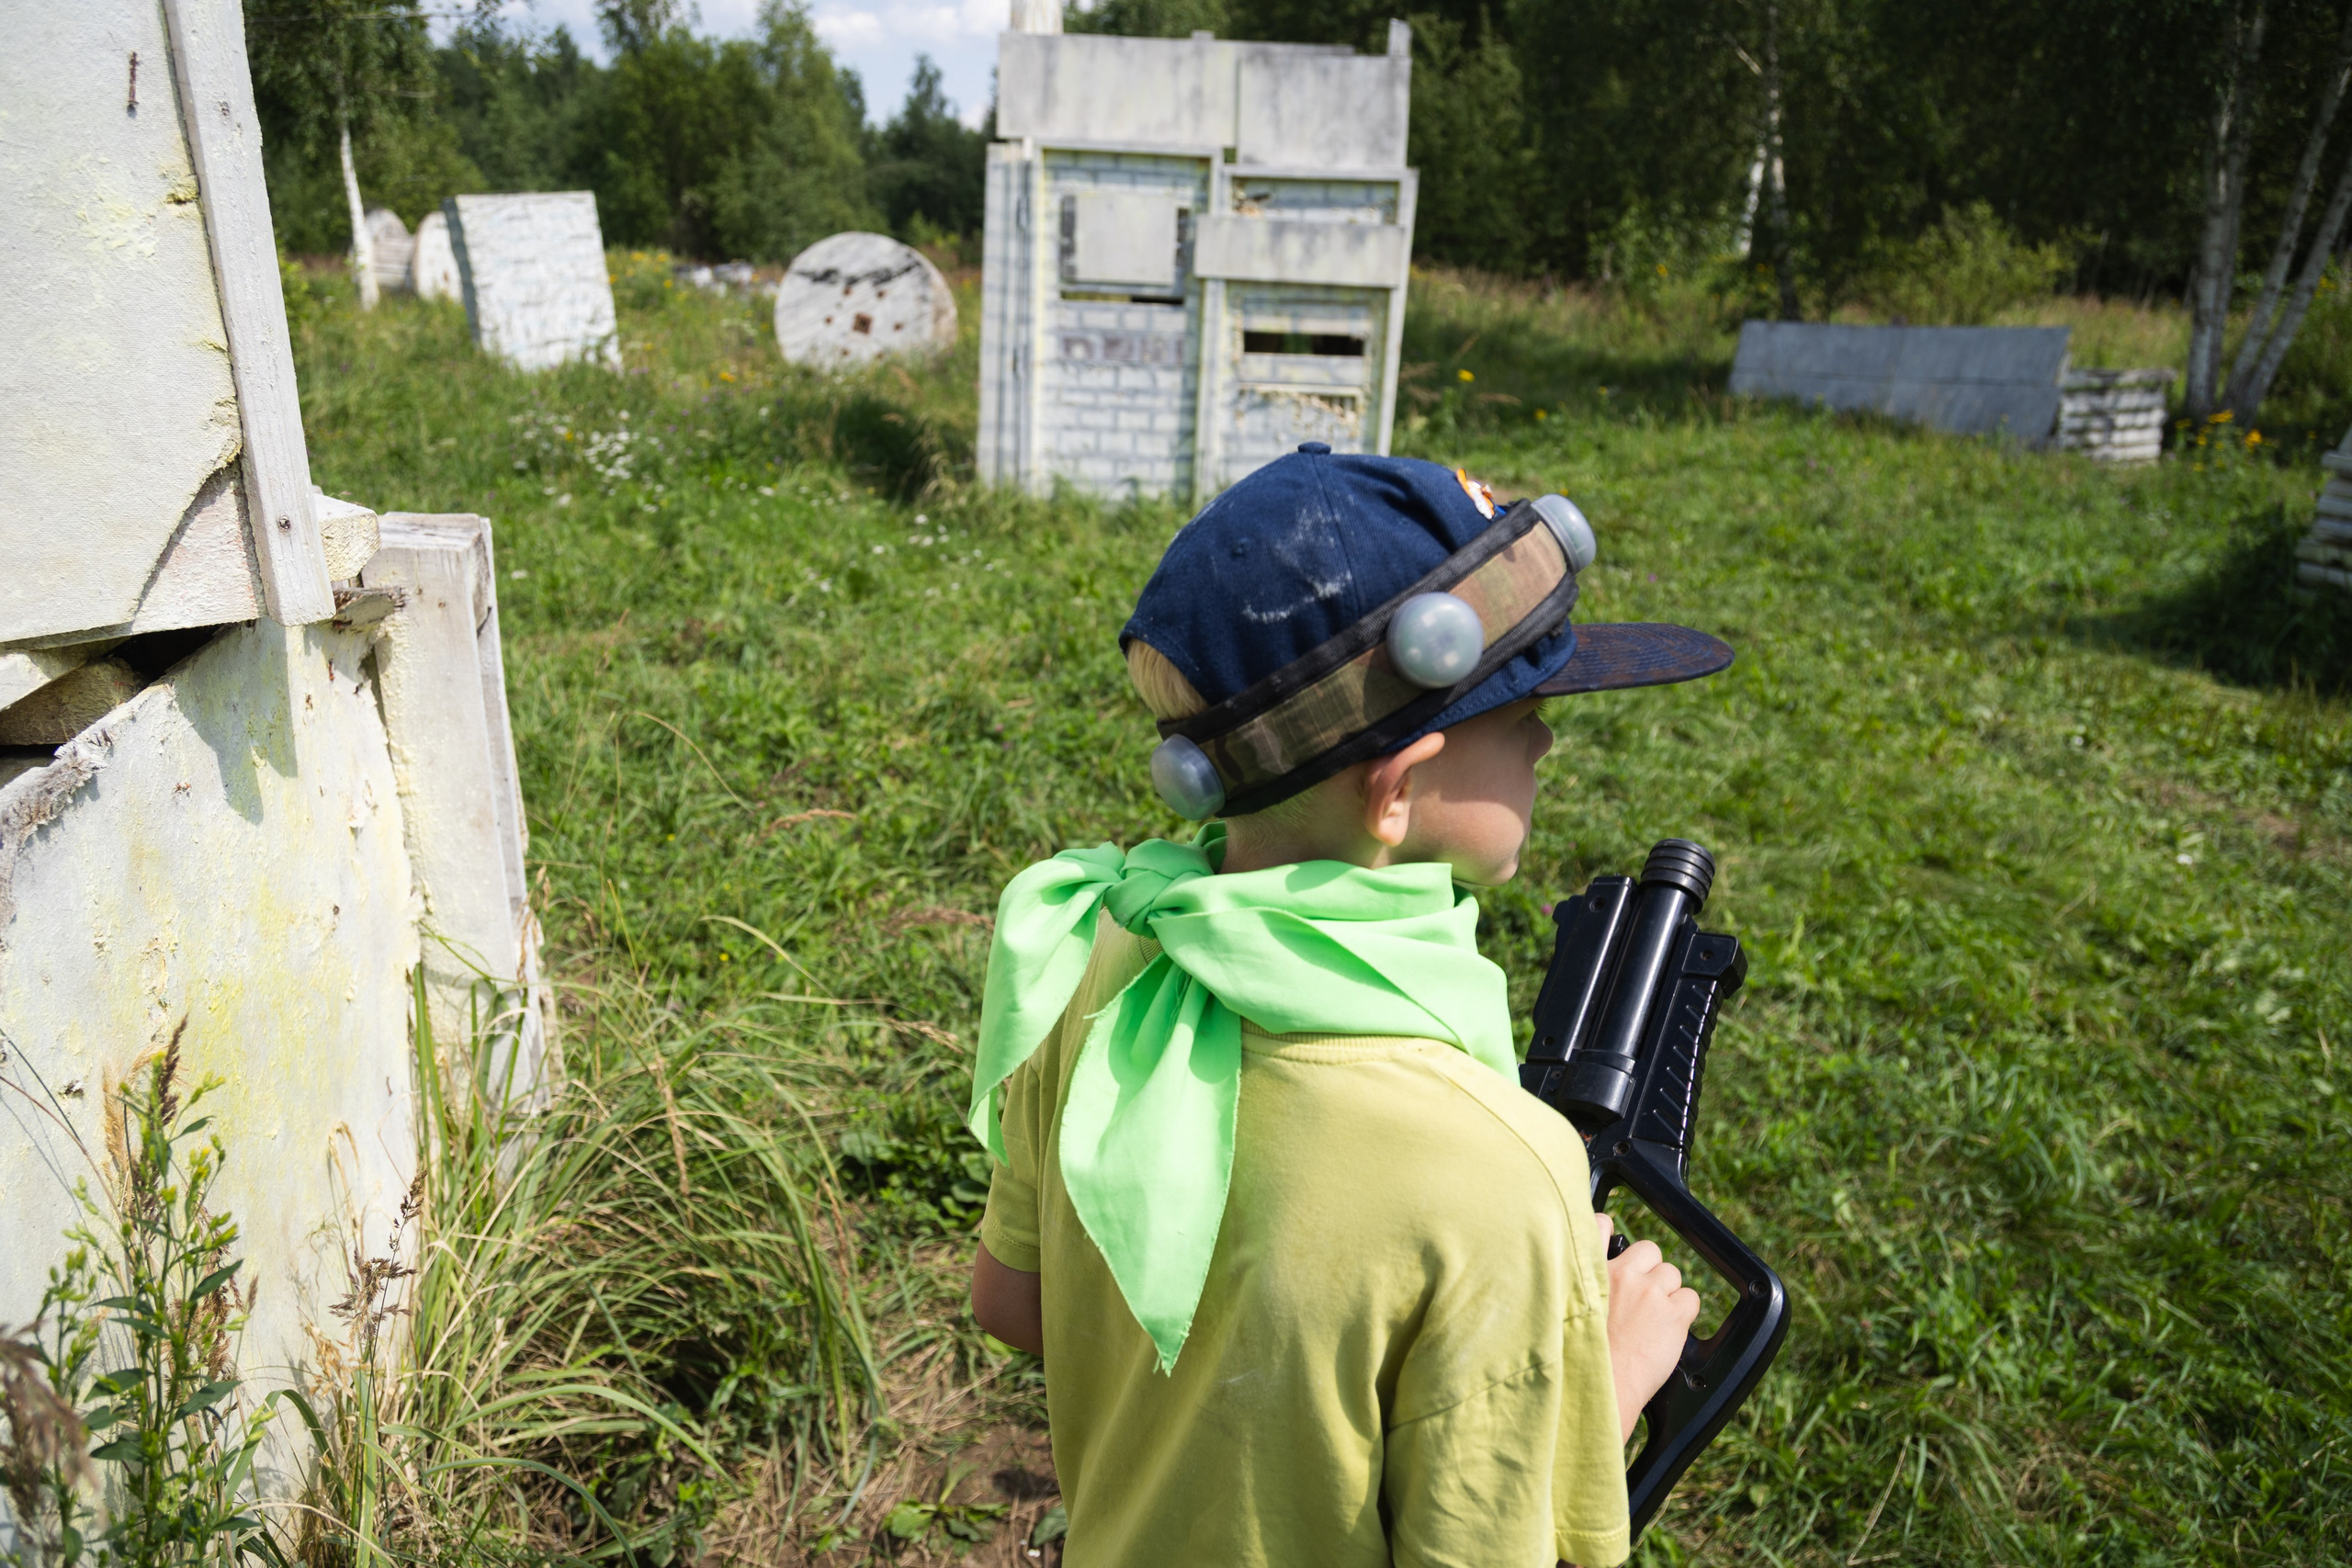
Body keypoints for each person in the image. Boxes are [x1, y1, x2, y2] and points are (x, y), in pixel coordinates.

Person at [966, 445, 1738, 1567]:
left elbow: (1011, 1305)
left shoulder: (1095, 959)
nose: (1546, 737)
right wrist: (1602, 1386)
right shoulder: (1494, 1175)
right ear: (1397, 790)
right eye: (1522, 707)